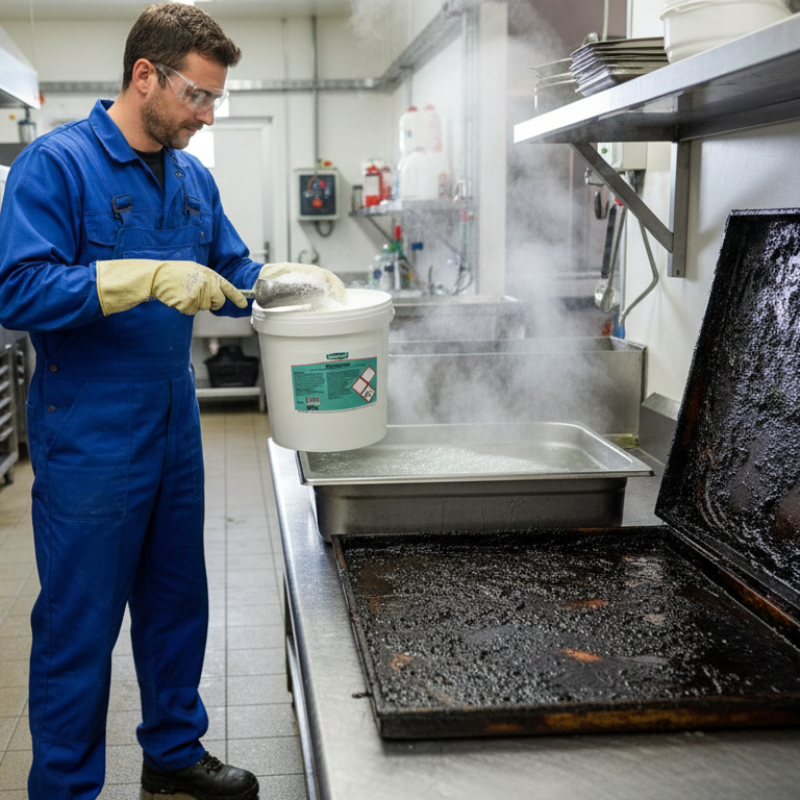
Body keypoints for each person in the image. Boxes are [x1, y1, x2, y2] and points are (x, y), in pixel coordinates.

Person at [0, 4, 342, 799]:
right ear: (145, 76)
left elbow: (229, 268)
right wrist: (139, 277)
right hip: (89, 428)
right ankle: (64, 788)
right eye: (198, 95)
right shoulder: (58, 165)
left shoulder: (192, 178)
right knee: (80, 623)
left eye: (216, 99)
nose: (207, 114)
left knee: (177, 598)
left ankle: (174, 751)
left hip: (172, 419)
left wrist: (280, 280)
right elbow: (16, 289)